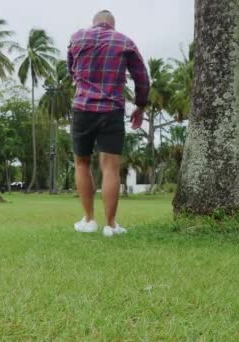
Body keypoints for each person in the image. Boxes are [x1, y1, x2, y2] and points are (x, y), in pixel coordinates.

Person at [67, 10, 150, 237]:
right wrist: (140, 106)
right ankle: (111, 226)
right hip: (112, 110)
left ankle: (89, 220)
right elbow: (141, 77)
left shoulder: (77, 38)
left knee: (82, 163)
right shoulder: (124, 41)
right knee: (110, 168)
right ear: (112, 25)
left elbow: (71, 71)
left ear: (94, 23)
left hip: (82, 108)